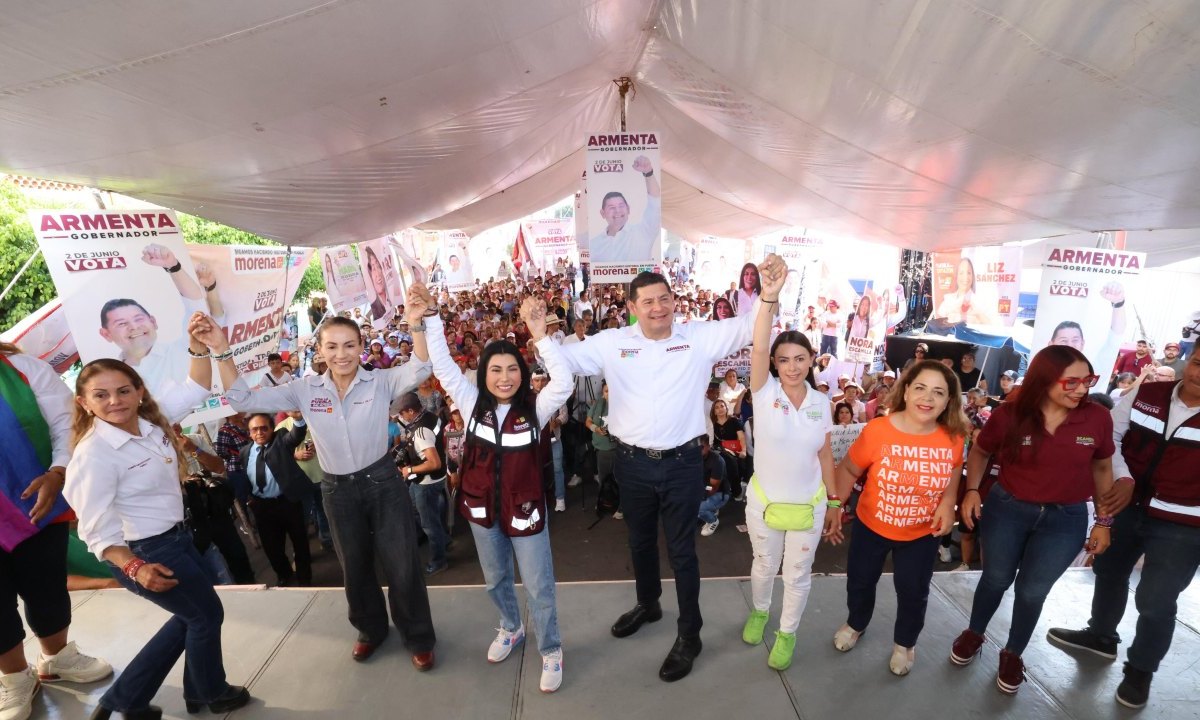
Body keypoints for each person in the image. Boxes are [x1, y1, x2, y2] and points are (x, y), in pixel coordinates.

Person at [551, 262, 765, 682]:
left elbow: (750, 326)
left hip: (684, 463)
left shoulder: (698, 338)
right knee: (639, 542)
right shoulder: (612, 343)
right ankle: (648, 605)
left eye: (664, 298)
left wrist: (770, 295)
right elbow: (562, 359)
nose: (657, 307)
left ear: (673, 301)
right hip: (631, 464)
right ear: (632, 306)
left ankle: (691, 634)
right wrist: (541, 331)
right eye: (647, 301)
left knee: (683, 551)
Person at [217, 308, 438, 670]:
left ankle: (418, 636)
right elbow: (242, 401)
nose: (342, 354)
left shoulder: (381, 382)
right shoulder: (303, 390)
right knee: (354, 565)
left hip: (383, 482)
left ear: (362, 346)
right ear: (319, 350)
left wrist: (415, 322)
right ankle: (370, 630)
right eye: (332, 346)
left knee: (402, 563)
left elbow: (422, 368)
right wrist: (222, 351)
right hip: (337, 490)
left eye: (350, 345)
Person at [63, 313, 251, 718]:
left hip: (178, 539)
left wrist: (197, 344)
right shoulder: (93, 455)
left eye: (123, 390)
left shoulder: (151, 423)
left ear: (138, 392)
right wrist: (135, 569)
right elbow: (94, 530)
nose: (115, 401)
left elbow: (197, 386)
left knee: (189, 619)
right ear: (84, 402)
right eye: (101, 395)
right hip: (146, 552)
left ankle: (127, 700)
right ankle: (210, 693)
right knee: (204, 616)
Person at [420, 287, 572, 693]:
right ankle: (510, 627)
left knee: (540, 585)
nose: (504, 378)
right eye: (495, 370)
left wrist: (540, 334)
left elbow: (566, 382)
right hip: (482, 511)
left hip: (526, 513)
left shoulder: (536, 409)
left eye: (512, 370)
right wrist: (433, 317)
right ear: (484, 375)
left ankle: (551, 650)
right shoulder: (472, 404)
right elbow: (444, 365)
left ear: (522, 374)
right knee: (495, 580)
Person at [949, 345, 1115, 695]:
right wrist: (973, 490)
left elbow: (1102, 466)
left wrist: (1104, 520)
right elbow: (980, 450)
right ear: (1044, 379)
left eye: (1087, 380)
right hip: (1008, 510)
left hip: (1066, 519)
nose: (1082, 389)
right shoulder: (1009, 414)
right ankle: (974, 632)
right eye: (1071, 382)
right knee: (995, 578)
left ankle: (1013, 653)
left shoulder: (1097, 417)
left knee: (1033, 591)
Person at [1045, 344, 1200, 709]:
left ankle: (1140, 671)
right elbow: (1112, 437)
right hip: (1128, 505)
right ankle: (1100, 637)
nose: (1199, 373)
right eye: (1197, 362)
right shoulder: (1147, 393)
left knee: (1156, 600)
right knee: (1109, 570)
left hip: (1184, 524)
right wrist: (1124, 478)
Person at [827, 360, 969, 677]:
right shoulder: (877, 430)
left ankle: (905, 643)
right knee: (860, 581)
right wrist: (835, 504)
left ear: (949, 401)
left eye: (938, 392)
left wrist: (949, 503)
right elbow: (849, 469)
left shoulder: (954, 437)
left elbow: (953, 471)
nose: (927, 398)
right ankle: (856, 623)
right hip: (871, 527)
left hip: (922, 534)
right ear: (905, 390)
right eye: (920, 387)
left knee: (913, 592)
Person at [0, 343, 113, 720]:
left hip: (35, 501)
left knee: (45, 584)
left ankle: (56, 657)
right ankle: (15, 678)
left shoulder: (22, 367)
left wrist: (58, 471)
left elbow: (67, 423)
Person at [741, 267, 838, 671]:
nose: (793, 367)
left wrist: (834, 502)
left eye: (800, 359)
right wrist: (769, 296)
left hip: (809, 508)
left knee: (797, 575)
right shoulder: (763, 393)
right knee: (764, 566)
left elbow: (826, 455)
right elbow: (759, 348)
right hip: (764, 504)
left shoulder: (821, 403)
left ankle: (786, 633)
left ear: (813, 359)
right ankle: (760, 611)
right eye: (784, 360)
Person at [96, 244, 224, 400]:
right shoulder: (110, 378)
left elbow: (196, 308)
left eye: (138, 319)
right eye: (121, 323)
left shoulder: (182, 350)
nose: (134, 327)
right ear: (106, 334)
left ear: (153, 322)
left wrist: (172, 266)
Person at [240, 413, 313, 587]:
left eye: (264, 428)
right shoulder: (245, 452)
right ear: (249, 433)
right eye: (254, 429)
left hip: (288, 502)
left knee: (300, 543)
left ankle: (305, 580)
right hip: (263, 507)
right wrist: (250, 499)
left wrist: (297, 419)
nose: (259, 432)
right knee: (272, 548)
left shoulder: (280, 441)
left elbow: (296, 435)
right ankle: (285, 575)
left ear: (272, 429)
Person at [393, 392, 449, 576]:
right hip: (436, 479)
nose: (401, 416)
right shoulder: (431, 417)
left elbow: (434, 463)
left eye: (402, 413)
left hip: (426, 482)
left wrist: (409, 470)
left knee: (429, 524)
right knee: (422, 512)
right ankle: (443, 540)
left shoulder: (420, 431)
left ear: (411, 411)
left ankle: (438, 561)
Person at [588, 156, 661, 265]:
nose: (617, 211)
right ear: (602, 213)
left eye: (621, 206)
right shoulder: (594, 245)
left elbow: (654, 203)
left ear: (628, 209)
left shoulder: (644, 232)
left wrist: (648, 173)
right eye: (611, 207)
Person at [277, 411, 332, 551]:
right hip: (300, 480)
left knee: (324, 512)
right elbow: (277, 453)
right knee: (302, 517)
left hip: (321, 475)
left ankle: (326, 541)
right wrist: (295, 455)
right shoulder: (282, 426)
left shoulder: (316, 420)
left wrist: (318, 446)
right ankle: (301, 550)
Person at [933, 256, 995, 326]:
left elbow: (992, 327)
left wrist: (978, 314)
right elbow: (939, 324)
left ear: (972, 276)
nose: (965, 277)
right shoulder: (949, 299)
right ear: (956, 276)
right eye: (961, 273)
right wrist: (953, 310)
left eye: (968, 273)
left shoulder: (980, 301)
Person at [696, 436, 728, 537]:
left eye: (701, 447)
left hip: (719, 492)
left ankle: (713, 521)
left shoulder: (717, 461)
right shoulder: (693, 458)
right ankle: (710, 509)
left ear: (708, 446)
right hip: (702, 488)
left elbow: (713, 488)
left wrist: (696, 497)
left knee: (696, 508)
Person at [365, 246, 393, 321]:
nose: (377, 274)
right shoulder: (374, 310)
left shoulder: (393, 300)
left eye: (379, 267)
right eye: (373, 269)